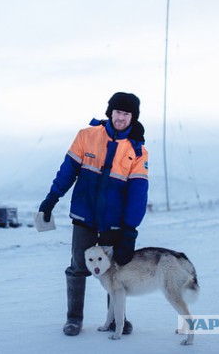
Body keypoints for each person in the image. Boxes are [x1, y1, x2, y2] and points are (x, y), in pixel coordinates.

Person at [38, 92, 149, 336]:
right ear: (110, 112)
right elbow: (67, 171)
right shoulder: (86, 136)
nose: (121, 117)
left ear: (133, 117)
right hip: (84, 216)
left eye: (126, 113)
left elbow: (138, 194)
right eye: (118, 112)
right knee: (79, 265)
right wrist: (51, 199)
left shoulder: (137, 151)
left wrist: (130, 229)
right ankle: (74, 319)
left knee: (115, 269)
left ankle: (116, 319)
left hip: (115, 222)